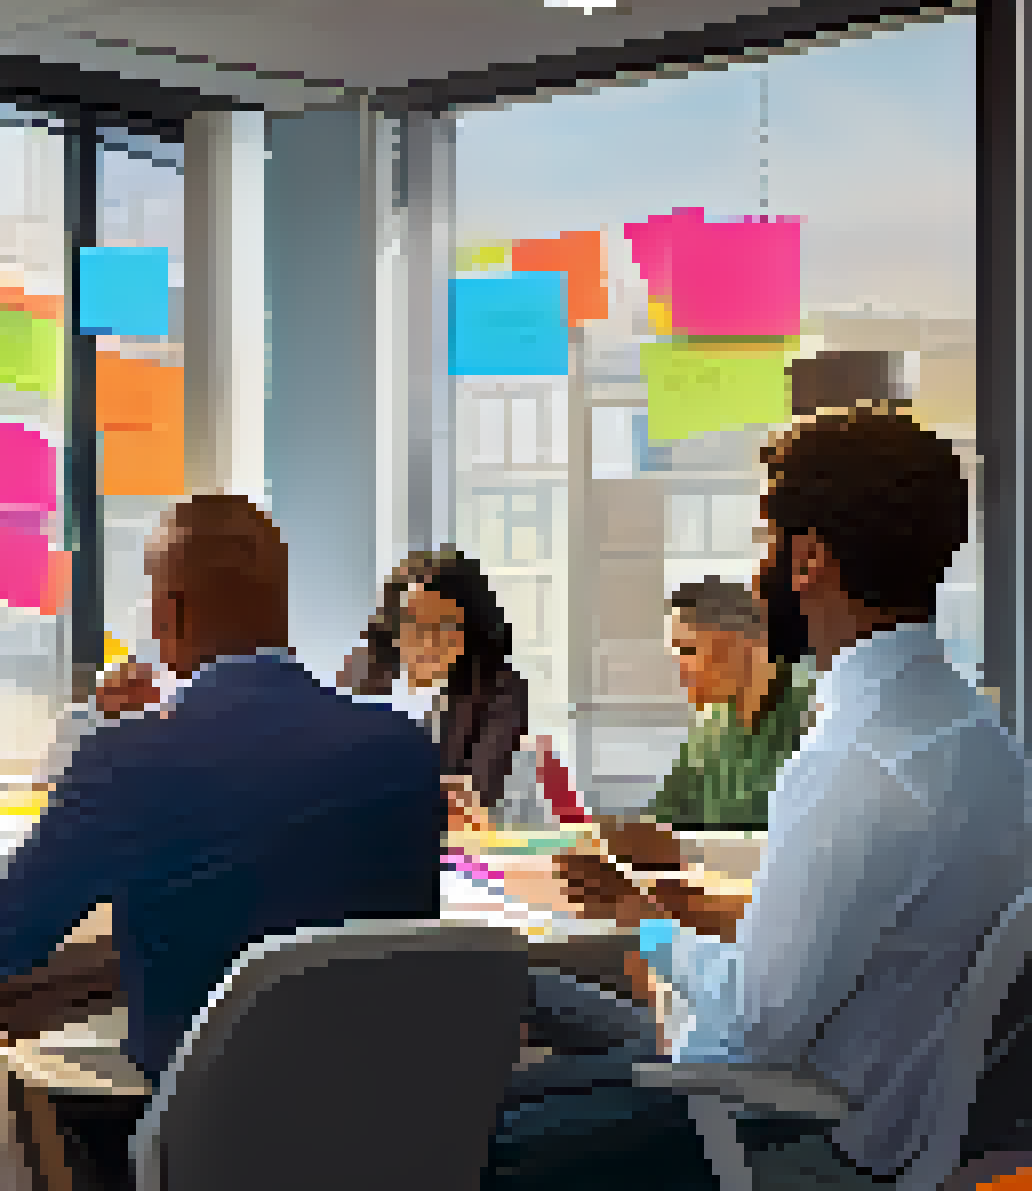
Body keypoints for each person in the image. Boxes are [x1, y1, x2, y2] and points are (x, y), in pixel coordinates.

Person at [491, 405, 1025, 1190]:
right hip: (888, 1119)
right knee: (531, 1000)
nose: (757, 569)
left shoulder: (852, 760)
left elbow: (754, 1026)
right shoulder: (981, 743)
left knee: (472, 1132)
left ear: (807, 558)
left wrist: (645, 923)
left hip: (789, 1135)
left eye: (766, 539)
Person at [0, 495, 445, 1183]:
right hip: (384, 1133)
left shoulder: (130, 758)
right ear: (279, 609)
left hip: (203, 1142)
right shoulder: (401, 747)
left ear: (170, 614)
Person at [340, 548, 546, 828]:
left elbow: (477, 797)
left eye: (444, 625)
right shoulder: (365, 684)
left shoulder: (498, 691)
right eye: (413, 623)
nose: (427, 641)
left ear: (470, 628)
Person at [645, 576, 814, 831]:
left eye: (689, 650)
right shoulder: (708, 732)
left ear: (742, 643)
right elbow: (659, 823)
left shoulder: (818, 705)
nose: (678, 668)